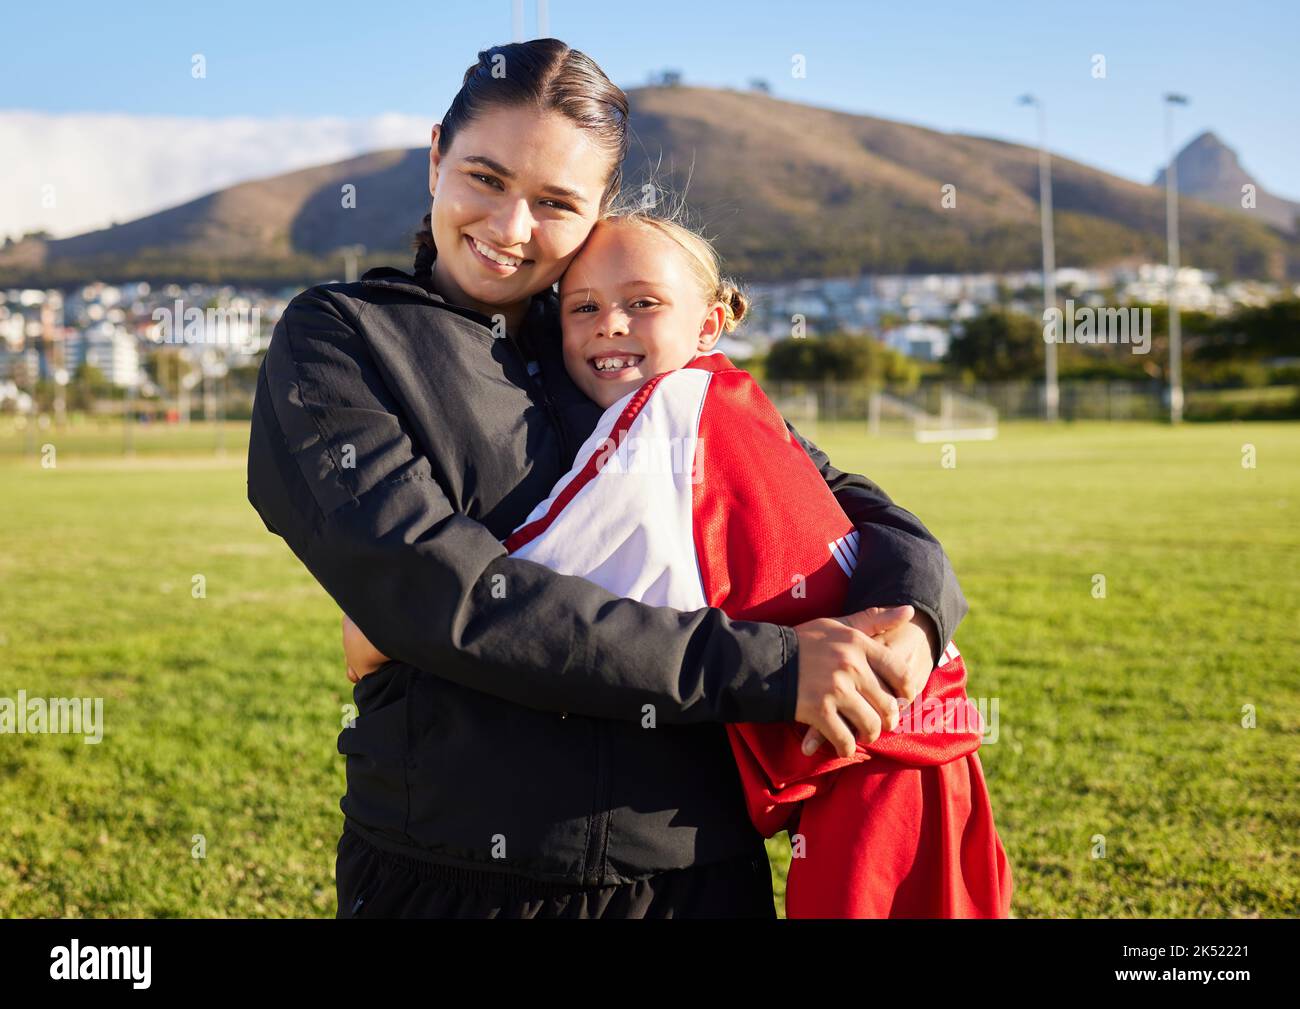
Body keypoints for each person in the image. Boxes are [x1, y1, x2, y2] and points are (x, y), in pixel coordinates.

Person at [247, 38, 967, 918]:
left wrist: (915, 618)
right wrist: (774, 666)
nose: (510, 228)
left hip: (691, 869)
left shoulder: (616, 341)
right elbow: (438, 590)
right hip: (453, 871)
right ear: (436, 157)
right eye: (484, 177)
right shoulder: (340, 338)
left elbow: (843, 503)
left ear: (598, 213)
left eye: (555, 202)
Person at [347, 207, 1012, 917]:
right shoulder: (733, 397)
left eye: (643, 303)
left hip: (879, 755)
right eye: (584, 307)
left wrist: (385, 624)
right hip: (923, 740)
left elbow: (553, 564)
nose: (611, 323)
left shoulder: (668, 415)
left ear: (710, 321)